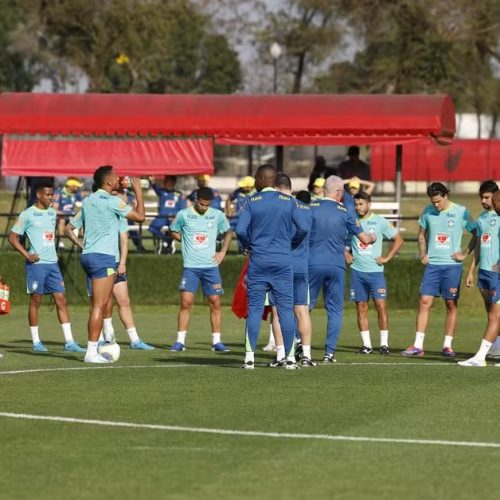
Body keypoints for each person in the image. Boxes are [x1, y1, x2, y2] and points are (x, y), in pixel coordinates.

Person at [65, 166, 145, 363]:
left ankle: (102, 342)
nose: (119, 179)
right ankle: (91, 352)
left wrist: (81, 244)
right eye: (116, 177)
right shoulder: (112, 201)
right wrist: (138, 193)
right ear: (108, 181)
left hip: (88, 256)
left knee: (99, 305)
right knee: (99, 306)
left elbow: (69, 228)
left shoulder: (88, 200)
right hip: (104, 257)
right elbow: (141, 217)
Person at [236, 165, 309, 370]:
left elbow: (240, 229)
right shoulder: (289, 202)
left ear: (260, 179)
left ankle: (249, 358)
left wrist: (249, 244)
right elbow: (303, 228)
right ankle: (291, 358)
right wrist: (291, 243)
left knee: (254, 310)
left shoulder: (251, 202)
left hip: (259, 261)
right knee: (286, 310)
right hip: (283, 261)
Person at [8, 182, 86, 353]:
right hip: (36, 265)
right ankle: (36, 342)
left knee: (61, 301)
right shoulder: (27, 214)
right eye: (48, 195)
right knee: (36, 301)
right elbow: (12, 237)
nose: (51, 197)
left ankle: (70, 342)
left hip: (53, 265)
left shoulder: (52, 213)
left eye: (52, 195)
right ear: (38, 195)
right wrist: (27, 255)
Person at [402, 182, 477, 358]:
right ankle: (418, 346)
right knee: (424, 302)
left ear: (445, 195)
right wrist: (422, 254)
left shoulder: (461, 211)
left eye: (438, 201)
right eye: (433, 202)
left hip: (452, 266)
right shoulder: (428, 211)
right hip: (433, 266)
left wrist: (465, 253)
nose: (435, 205)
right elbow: (421, 235)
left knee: (450, 304)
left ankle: (447, 346)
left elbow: (477, 233)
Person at [308, 175, 376, 363]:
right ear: (338, 192)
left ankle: (301, 347)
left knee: (305, 307)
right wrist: (373, 237)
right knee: (335, 309)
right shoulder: (346, 211)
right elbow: (364, 239)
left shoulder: (310, 208)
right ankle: (329, 353)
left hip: (312, 263)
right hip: (336, 265)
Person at [168, 187, 233, 352]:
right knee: (186, 303)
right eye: (202, 204)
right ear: (196, 199)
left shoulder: (217, 214)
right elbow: (173, 230)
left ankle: (216, 341)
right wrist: (184, 239)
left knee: (215, 303)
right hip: (191, 267)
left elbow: (229, 232)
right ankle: (180, 342)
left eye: (207, 205)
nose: (204, 207)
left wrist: (223, 252)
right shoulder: (183, 214)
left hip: (211, 267)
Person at [345, 191, 404, 354]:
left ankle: (384, 345)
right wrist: (346, 253)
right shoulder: (351, 221)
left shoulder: (380, 222)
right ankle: (367, 346)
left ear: (369, 204)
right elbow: (341, 241)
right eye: (356, 204)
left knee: (381, 307)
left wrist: (387, 257)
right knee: (361, 307)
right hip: (357, 272)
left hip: (376, 273)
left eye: (361, 204)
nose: (358, 207)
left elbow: (399, 239)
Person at [268, 180, 315, 367]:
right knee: (302, 310)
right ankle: (307, 355)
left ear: (278, 189)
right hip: (302, 265)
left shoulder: (278, 208)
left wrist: (288, 243)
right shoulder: (306, 209)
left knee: (278, 311)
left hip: (282, 265)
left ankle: (282, 355)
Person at [458, 181, 500, 366]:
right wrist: (471, 271)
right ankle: (495, 348)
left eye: (488, 198)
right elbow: (479, 247)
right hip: (485, 273)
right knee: (492, 314)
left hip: (496, 273)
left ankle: (480, 357)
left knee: (494, 315)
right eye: (481, 197)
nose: (484, 201)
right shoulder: (482, 218)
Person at [149, 176, 186, 254]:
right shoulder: (161, 191)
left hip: (173, 218)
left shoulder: (178, 194)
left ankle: (166, 244)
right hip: (162, 217)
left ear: (173, 183)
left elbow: (182, 208)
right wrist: (152, 181)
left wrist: (177, 217)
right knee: (152, 228)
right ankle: (165, 241)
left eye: (168, 182)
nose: (166, 183)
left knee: (172, 229)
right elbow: (155, 186)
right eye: (165, 182)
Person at [226, 176, 256, 252]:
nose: (242, 187)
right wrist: (229, 211)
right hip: (236, 218)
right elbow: (229, 199)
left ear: (250, 187)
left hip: (248, 219)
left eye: (244, 186)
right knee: (228, 231)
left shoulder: (256, 193)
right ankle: (224, 250)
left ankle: (243, 250)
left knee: (243, 233)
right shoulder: (238, 191)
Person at [52, 178, 84, 249]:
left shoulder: (76, 193)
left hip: (71, 216)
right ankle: (61, 241)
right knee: (62, 220)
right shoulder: (59, 192)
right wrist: (63, 213)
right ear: (71, 186)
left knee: (82, 220)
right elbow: (54, 209)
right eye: (76, 186)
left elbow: (82, 202)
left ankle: (81, 243)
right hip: (61, 215)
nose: (77, 188)